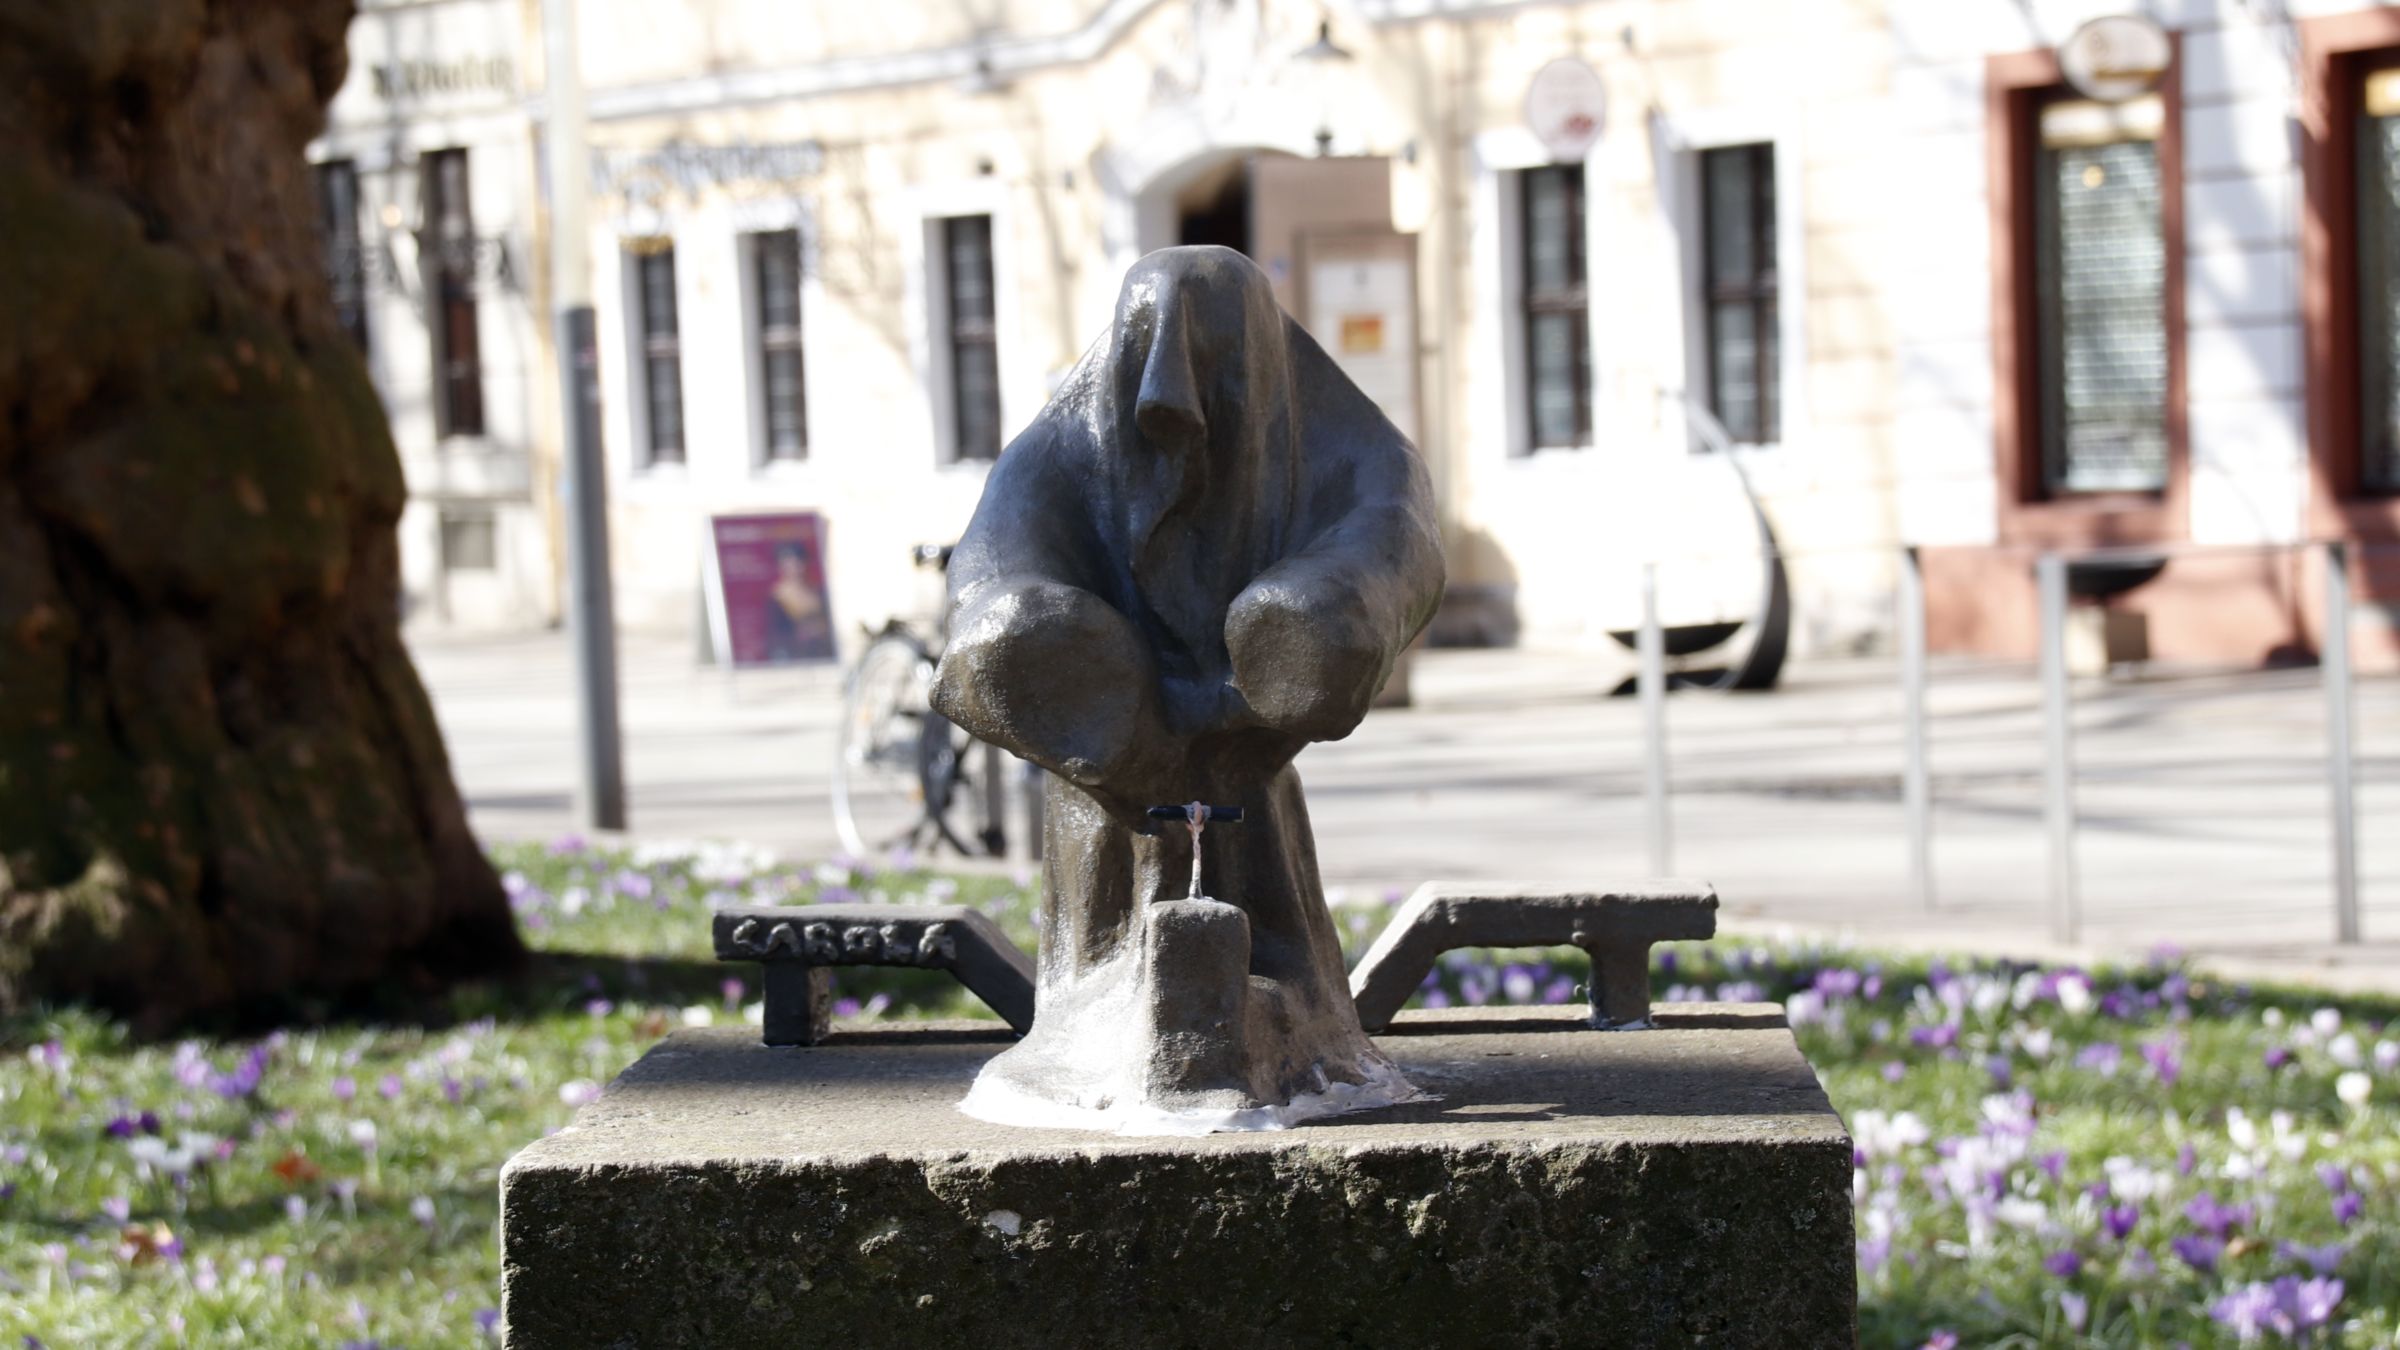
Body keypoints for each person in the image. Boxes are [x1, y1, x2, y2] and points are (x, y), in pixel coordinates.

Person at [930, 246, 1444, 1130]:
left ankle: (1293, 1023)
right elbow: (987, 578)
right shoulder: (1060, 451)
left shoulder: (1342, 443)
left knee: (1274, 941)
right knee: (1105, 967)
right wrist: (1052, 655)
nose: (1185, 408)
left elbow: (1396, 534)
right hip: (1108, 776)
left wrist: (1317, 616)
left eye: (1218, 369)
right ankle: (1096, 1015)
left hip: (1250, 760)